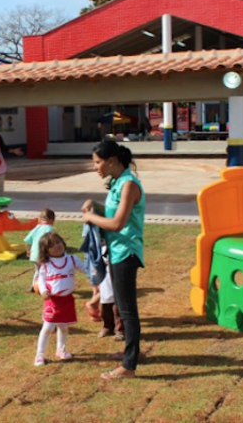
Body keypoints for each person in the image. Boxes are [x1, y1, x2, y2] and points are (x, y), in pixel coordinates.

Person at [82, 141, 145, 380]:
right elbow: (112, 213)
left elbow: (117, 223)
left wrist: (90, 218)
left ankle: (129, 365)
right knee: (122, 305)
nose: (95, 167)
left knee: (127, 310)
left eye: (97, 162)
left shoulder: (129, 184)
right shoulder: (118, 182)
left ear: (112, 161)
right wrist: (95, 206)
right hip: (117, 252)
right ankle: (130, 354)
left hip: (126, 252)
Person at [34, 232, 85, 366]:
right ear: (45, 250)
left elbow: (85, 269)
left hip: (67, 300)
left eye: (58, 242)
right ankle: (40, 354)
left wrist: (96, 273)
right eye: (52, 245)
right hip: (52, 301)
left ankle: (60, 349)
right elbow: (41, 279)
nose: (57, 246)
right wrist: (43, 290)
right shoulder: (46, 264)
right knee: (48, 327)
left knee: (63, 327)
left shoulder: (72, 259)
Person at [23, 208, 56, 293]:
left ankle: (34, 285)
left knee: (38, 271)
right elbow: (53, 242)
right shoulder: (50, 229)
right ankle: (44, 286)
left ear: (40, 219)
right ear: (52, 220)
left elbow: (27, 240)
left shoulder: (36, 228)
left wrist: (28, 251)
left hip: (34, 255)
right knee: (46, 271)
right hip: (44, 255)